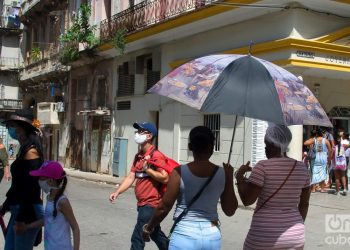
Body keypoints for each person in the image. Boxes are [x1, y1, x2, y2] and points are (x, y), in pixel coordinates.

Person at [142, 126, 238, 250]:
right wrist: (229, 179)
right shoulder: (223, 174)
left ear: (190, 146)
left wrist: (149, 227)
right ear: (212, 147)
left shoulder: (179, 172)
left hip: (184, 235)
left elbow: (163, 207)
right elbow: (230, 211)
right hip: (212, 235)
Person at [236, 124, 311, 250]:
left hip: (264, 236)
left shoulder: (263, 167)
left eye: (267, 145)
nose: (265, 149)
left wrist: (239, 178)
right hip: (295, 234)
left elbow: (247, 200)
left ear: (273, 144)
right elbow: (304, 204)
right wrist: (294, 226)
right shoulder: (302, 168)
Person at [109, 122, 169, 250]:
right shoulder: (139, 156)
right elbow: (131, 177)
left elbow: (165, 177)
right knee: (155, 233)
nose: (137, 134)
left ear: (149, 136)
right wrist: (117, 192)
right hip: (142, 204)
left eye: (141, 131)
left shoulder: (156, 156)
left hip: (151, 204)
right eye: (137, 131)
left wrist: (148, 170)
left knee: (138, 237)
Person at [0, 109, 45, 250]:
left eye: (16, 128)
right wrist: (5, 207)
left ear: (25, 129)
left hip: (27, 211)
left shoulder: (32, 152)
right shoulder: (24, 149)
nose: (14, 131)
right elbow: (17, 186)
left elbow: (29, 188)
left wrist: (21, 220)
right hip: (18, 209)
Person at [14, 161, 80, 250]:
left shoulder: (62, 202)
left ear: (51, 180)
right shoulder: (50, 198)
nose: (39, 181)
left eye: (41, 178)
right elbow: (47, 220)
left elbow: (75, 228)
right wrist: (27, 227)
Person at [304, 128, 332, 193]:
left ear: (317, 134)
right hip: (323, 158)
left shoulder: (315, 140)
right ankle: (322, 189)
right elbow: (330, 150)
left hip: (317, 158)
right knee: (323, 173)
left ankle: (313, 189)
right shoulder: (326, 140)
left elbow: (305, 143)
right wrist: (329, 158)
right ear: (322, 134)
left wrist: (312, 138)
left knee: (314, 173)